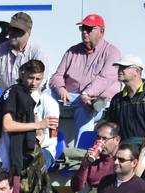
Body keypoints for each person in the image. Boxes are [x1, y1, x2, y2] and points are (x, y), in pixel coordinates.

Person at [50, 15, 122, 144]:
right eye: (82, 28)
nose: (84, 32)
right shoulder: (72, 51)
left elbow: (105, 78)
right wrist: (60, 88)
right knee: (44, 96)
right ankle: (43, 147)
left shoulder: (112, 52)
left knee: (86, 108)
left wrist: (86, 94)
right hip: (70, 98)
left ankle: (80, 154)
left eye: (89, 29)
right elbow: (56, 76)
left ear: (102, 32)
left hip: (97, 101)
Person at [0, 12, 46, 98]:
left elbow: (38, 85)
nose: (12, 33)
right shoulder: (2, 48)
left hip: (29, 101)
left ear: (28, 32)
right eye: (11, 29)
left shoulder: (37, 51)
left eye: (18, 31)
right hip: (6, 101)